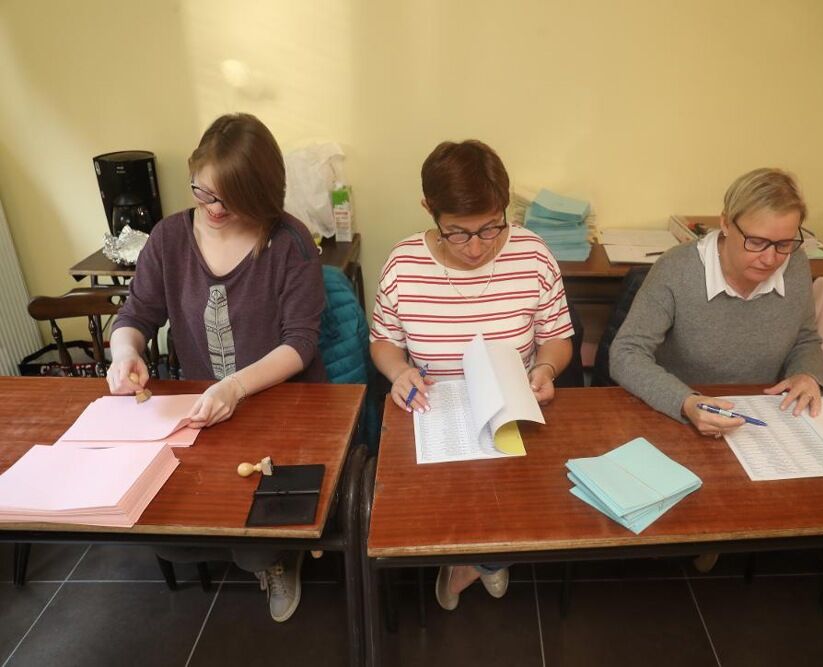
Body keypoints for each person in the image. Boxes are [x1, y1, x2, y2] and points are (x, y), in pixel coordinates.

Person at [107, 113, 326, 622]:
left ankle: (276, 560)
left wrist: (235, 387)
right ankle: (259, 551)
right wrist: (125, 352)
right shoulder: (169, 239)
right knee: (173, 537)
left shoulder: (290, 242)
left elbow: (300, 344)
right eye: (204, 192)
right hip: (202, 413)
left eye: (232, 199)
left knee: (256, 541)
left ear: (261, 194)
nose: (215, 210)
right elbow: (135, 315)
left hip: (276, 406)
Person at [370, 139, 573, 610]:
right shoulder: (403, 263)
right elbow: (383, 341)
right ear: (429, 209)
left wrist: (545, 368)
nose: (477, 248)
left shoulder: (532, 254)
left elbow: (558, 337)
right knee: (445, 505)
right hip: (435, 411)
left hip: (513, 409)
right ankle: (473, 557)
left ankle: (482, 560)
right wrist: (399, 372)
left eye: (490, 228)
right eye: (458, 234)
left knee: (518, 494)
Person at [610, 167, 823, 434]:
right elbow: (626, 353)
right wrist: (686, 402)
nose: (770, 259)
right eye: (756, 242)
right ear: (725, 223)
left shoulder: (796, 264)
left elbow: (805, 339)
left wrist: (807, 374)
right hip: (679, 419)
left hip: (762, 418)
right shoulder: (677, 268)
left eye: (783, 244)